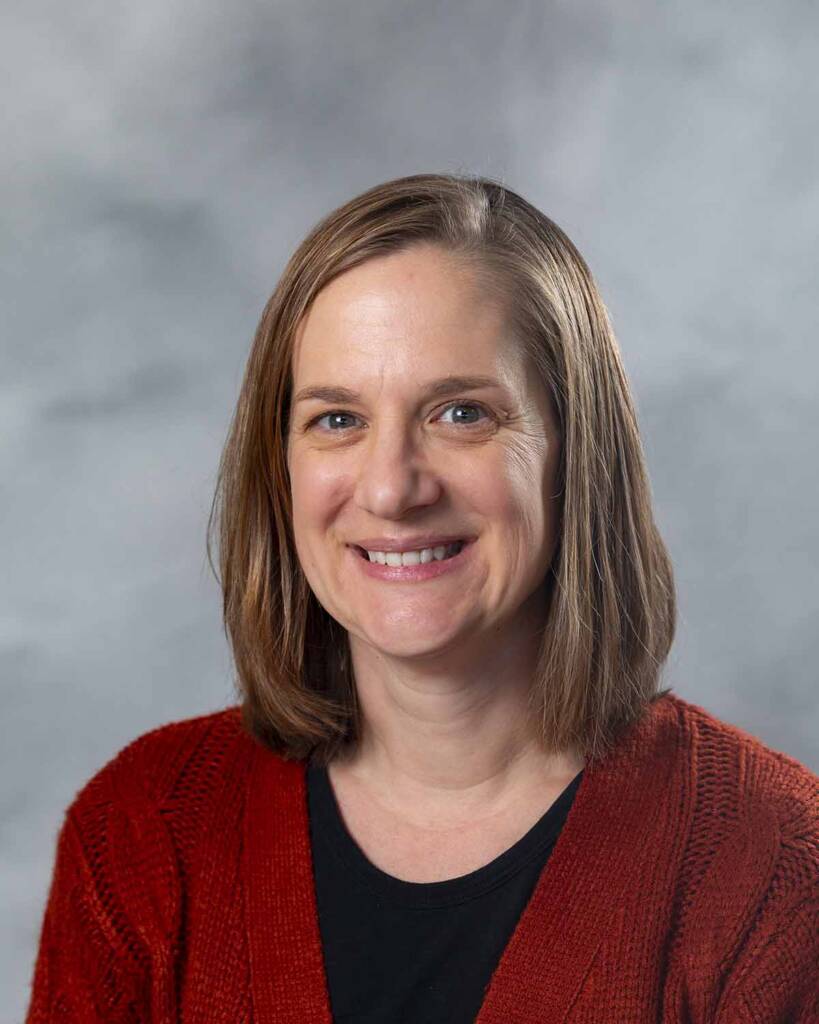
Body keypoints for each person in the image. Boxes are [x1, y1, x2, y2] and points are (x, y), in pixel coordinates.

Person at [25, 173, 818, 1023]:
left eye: (461, 413)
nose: (392, 488)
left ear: (573, 452)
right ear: (279, 463)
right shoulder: (146, 833)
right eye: (337, 419)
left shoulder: (769, 867)